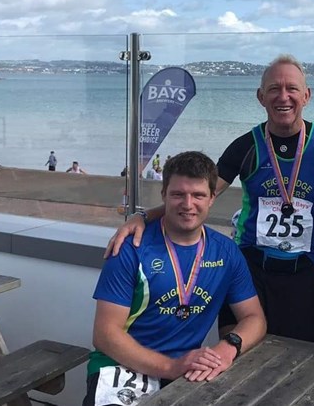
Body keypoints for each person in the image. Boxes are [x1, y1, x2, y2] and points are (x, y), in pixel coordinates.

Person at [106, 54, 314, 342]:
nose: (284, 97)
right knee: (235, 351)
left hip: (302, 271)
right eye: (274, 89)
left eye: (292, 89)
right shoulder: (246, 146)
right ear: (260, 97)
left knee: (291, 362)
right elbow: (199, 197)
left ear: (306, 95)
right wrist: (143, 216)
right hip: (249, 267)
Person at [84, 151, 266, 406]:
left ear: (213, 198)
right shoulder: (131, 248)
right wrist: (171, 367)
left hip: (187, 369)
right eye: (178, 194)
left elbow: (254, 318)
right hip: (123, 365)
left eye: (198, 195)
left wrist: (228, 347)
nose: (188, 204)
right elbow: (105, 335)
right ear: (164, 196)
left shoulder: (226, 252)